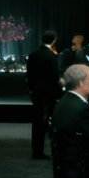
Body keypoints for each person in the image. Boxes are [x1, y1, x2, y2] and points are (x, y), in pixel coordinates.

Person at [27, 31, 62, 159]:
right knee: (49, 121)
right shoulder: (52, 56)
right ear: (54, 40)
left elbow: (29, 74)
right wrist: (59, 93)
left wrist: (31, 89)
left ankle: (36, 150)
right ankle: (50, 149)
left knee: (37, 121)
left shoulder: (33, 54)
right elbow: (54, 76)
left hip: (36, 92)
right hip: (48, 94)